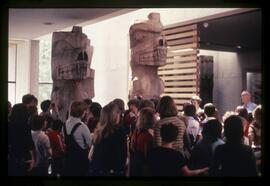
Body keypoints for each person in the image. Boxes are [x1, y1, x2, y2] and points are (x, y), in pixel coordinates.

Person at [89, 102, 127, 176]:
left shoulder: (99, 131)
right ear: (115, 115)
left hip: (97, 170)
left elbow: (92, 155)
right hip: (112, 171)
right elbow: (122, 156)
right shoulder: (119, 130)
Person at [63, 101, 92, 176]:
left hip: (68, 158)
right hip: (80, 160)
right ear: (82, 112)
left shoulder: (64, 124)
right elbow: (90, 144)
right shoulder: (82, 126)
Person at [8, 103, 36, 176]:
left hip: (12, 158)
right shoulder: (26, 127)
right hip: (24, 158)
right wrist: (33, 159)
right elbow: (30, 145)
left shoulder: (9, 125)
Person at [130, 107, 155, 176]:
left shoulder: (137, 130)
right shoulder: (152, 133)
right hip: (148, 164)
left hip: (136, 161)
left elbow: (132, 147)